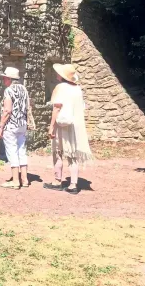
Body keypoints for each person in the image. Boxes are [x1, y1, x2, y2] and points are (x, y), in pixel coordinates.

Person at [44, 64, 93, 195]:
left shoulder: (60, 88)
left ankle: (57, 181)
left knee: (57, 151)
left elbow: (56, 108)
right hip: (74, 125)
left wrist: (51, 127)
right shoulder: (77, 89)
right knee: (72, 154)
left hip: (62, 125)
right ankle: (73, 184)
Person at [0, 67, 30, 189]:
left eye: (5, 78)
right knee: (21, 150)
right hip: (22, 124)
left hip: (11, 125)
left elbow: (7, 110)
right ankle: (25, 179)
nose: (3, 79)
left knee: (12, 151)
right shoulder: (24, 89)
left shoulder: (9, 91)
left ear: (10, 79)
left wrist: (1, 126)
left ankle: (15, 180)